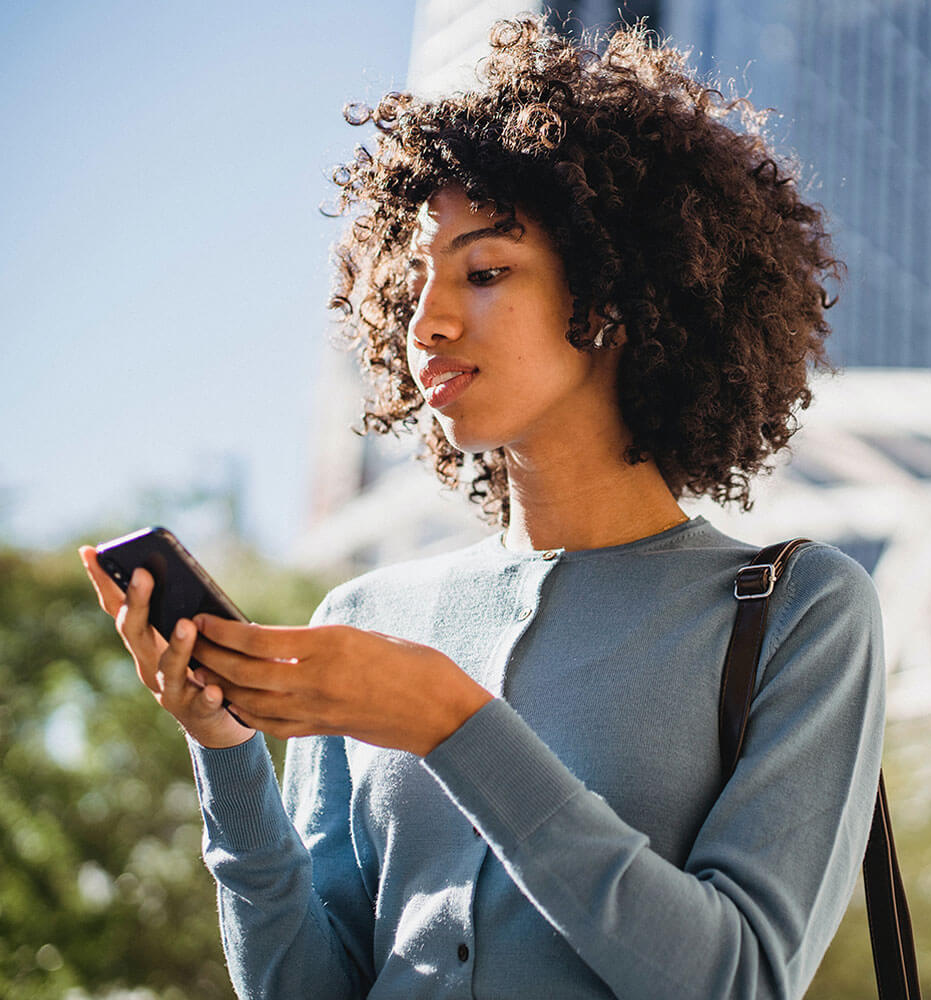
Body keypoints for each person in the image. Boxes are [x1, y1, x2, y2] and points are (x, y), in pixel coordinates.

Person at [80, 16, 884, 999]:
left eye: (485, 270)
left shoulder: (796, 613)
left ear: (616, 293)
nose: (426, 322)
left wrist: (452, 722)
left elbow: (740, 979)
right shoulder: (362, 622)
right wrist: (229, 754)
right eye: (413, 280)